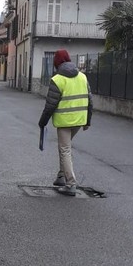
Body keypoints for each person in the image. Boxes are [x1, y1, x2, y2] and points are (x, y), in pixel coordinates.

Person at [38, 49, 93, 196]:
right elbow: (90, 100)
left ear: (56, 63)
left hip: (64, 121)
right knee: (65, 148)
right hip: (79, 120)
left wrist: (42, 122)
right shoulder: (82, 77)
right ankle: (61, 176)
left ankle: (70, 184)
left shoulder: (57, 80)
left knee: (65, 150)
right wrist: (87, 121)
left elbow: (50, 105)